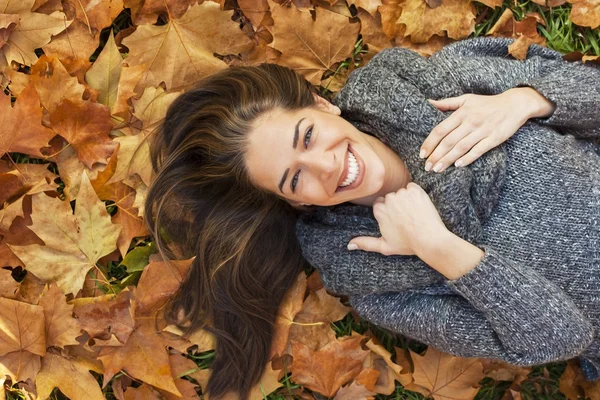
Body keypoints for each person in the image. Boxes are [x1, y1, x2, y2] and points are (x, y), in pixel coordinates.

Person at [144, 36, 600, 400]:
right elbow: (560, 340)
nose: (326, 167)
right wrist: (441, 249)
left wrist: (527, 99)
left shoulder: (431, 85)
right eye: (294, 179)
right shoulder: (376, 286)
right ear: (295, 203)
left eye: (308, 136)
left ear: (323, 106)